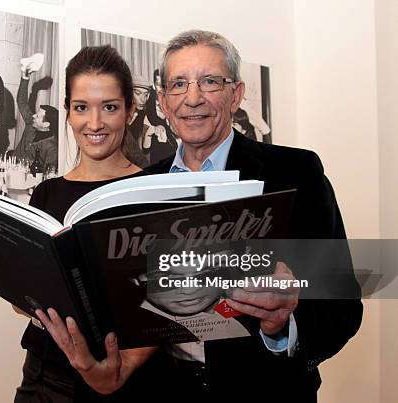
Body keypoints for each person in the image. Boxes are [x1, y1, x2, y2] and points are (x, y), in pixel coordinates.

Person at [144, 29, 362, 402]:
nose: (192, 98)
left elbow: (341, 307)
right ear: (163, 101)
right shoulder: (140, 188)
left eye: (210, 81)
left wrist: (282, 326)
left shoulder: (295, 173)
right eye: (178, 84)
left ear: (236, 95)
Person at [14, 45, 163, 402]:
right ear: (67, 111)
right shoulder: (47, 193)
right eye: (81, 107)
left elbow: (168, 304)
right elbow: (21, 301)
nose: (94, 124)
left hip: (119, 375)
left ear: (129, 111)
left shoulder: (153, 192)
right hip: (41, 371)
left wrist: (121, 367)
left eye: (109, 107)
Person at [13, 66, 58, 172]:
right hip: (11, 168)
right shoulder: (31, 123)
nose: (33, 116)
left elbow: (48, 174)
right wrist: (25, 78)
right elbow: (22, 102)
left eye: (37, 116)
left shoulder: (52, 147)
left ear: (46, 124)